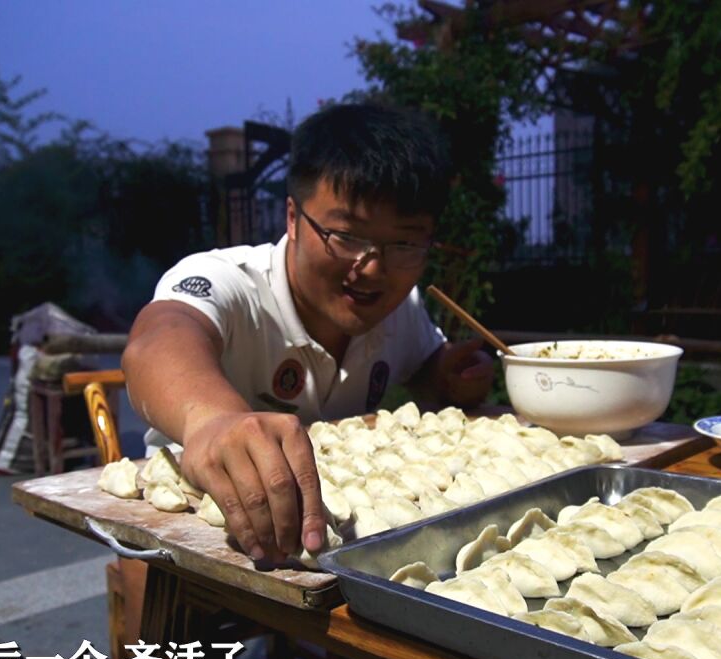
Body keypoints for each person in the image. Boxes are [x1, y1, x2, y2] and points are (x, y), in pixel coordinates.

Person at [122, 103, 494, 563]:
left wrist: (449, 375)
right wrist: (212, 421)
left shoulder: (401, 311)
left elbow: (424, 367)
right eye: (347, 236)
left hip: (333, 553)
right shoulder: (229, 282)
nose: (373, 268)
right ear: (294, 218)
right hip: (193, 544)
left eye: (404, 243)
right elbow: (157, 341)